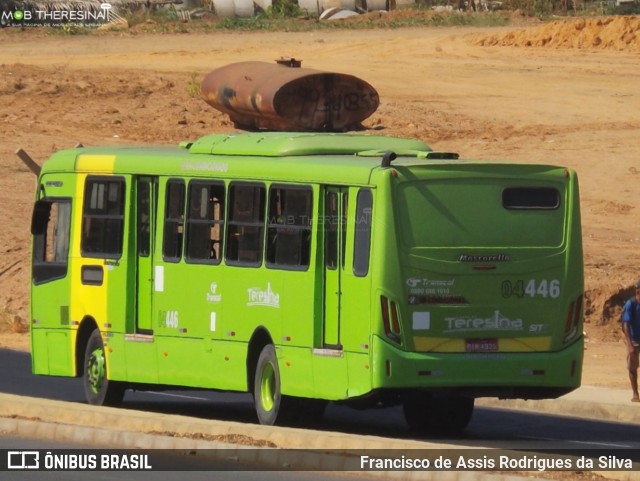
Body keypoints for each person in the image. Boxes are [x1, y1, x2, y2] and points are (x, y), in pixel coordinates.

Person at [622, 280, 640, 402]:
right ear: (638, 291)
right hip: (634, 339)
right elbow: (625, 325)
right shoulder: (631, 304)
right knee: (632, 368)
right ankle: (635, 393)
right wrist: (629, 345)